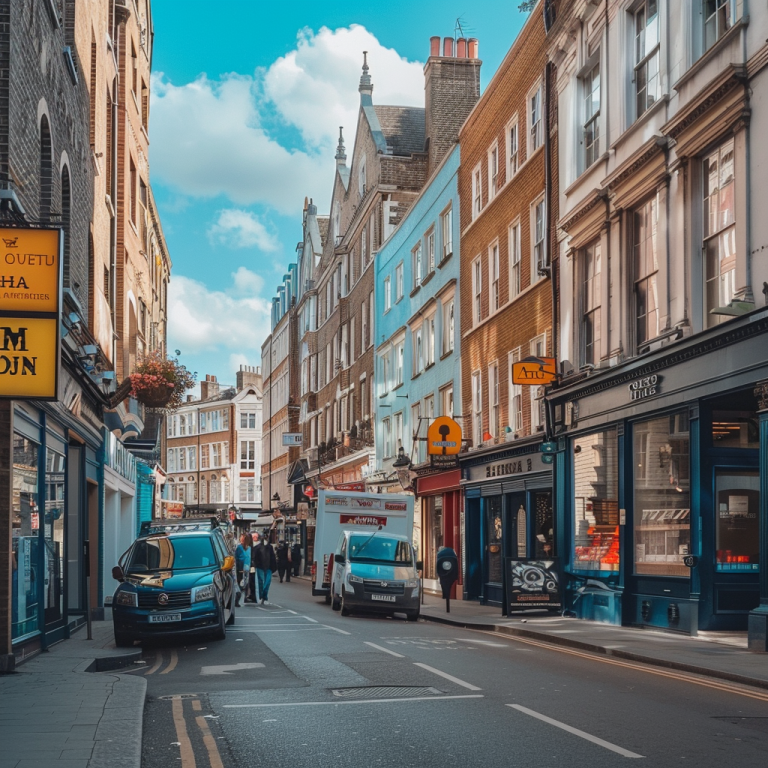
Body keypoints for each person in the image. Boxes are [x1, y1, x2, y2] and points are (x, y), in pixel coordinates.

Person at [253, 535, 277, 604]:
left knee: (267, 582)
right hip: (261, 567)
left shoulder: (269, 547)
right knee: (261, 582)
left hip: (268, 567)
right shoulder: (257, 548)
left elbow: (272, 557)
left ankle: (264, 596)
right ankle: (262, 596)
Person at [234, 532, 252, 607]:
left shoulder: (249, 548)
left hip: (246, 568)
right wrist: (239, 569)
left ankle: (244, 597)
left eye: (242, 538)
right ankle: (237, 600)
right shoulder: (239, 547)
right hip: (241, 568)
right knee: (240, 584)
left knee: (245, 583)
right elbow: (237, 558)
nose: (241, 539)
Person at [247, 533, 260, 603]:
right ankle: (252, 595)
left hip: (250, 566)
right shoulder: (252, 546)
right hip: (252, 566)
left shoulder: (250, 547)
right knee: (252, 580)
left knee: (251, 580)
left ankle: (253, 595)